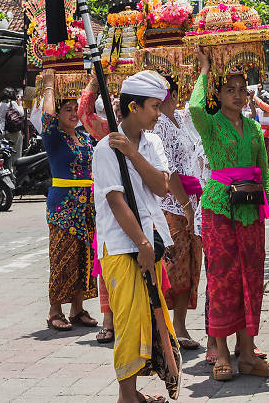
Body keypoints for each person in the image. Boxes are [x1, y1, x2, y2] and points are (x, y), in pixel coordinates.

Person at [191, 45, 269, 382]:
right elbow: (194, 106)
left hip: (250, 209)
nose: (239, 95)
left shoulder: (256, 129)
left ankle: (247, 353)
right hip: (219, 208)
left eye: (243, 89)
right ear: (219, 93)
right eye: (230, 89)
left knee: (252, 279)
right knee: (222, 278)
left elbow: (265, 172)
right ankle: (222, 354)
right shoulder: (210, 124)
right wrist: (203, 68)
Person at [93, 70, 177, 403]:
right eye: (154, 106)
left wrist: (132, 152)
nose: (158, 113)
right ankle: (127, 396)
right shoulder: (104, 150)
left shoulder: (152, 142)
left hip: (151, 240)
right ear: (133, 107)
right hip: (121, 244)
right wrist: (140, 243)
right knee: (128, 321)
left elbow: (160, 186)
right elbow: (115, 201)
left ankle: (133, 393)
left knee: (150, 316)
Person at [41, 69, 98, 332]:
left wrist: (92, 80)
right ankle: (55, 311)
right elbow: (47, 116)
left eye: (76, 109)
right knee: (63, 256)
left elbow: (88, 108)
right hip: (63, 205)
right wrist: (50, 86)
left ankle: (78, 308)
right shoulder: (54, 137)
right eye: (68, 109)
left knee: (84, 256)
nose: (73, 113)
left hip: (87, 204)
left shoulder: (85, 137)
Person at [153, 77, 203, 351]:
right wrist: (185, 205)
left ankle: (180, 325)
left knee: (191, 265)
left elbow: (198, 104)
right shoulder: (158, 124)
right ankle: (163, 327)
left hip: (193, 201)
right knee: (172, 266)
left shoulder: (182, 118)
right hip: (172, 204)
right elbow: (167, 170)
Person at [77, 74, 120, 343]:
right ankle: (108, 320)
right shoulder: (110, 131)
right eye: (118, 108)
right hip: (112, 210)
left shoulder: (153, 132)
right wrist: (95, 79)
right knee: (107, 262)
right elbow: (84, 112)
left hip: (148, 208)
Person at [0, 86, 24, 159]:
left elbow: (1, 115)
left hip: (3, 130)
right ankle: (15, 168)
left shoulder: (1, 103)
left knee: (6, 153)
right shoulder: (12, 103)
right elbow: (21, 113)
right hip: (13, 131)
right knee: (16, 153)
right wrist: (19, 104)